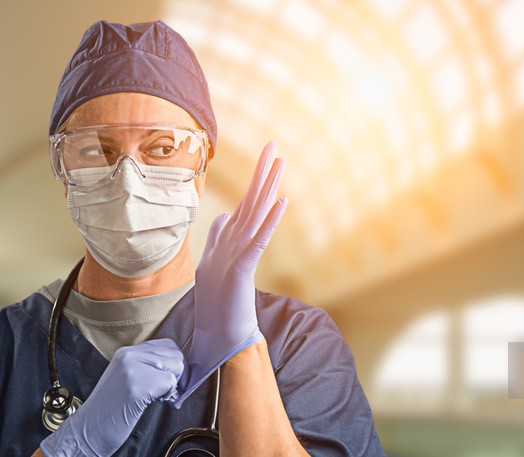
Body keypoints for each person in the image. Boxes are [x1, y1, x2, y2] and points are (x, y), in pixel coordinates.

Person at [0, 20, 385, 457]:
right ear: (64, 172)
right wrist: (70, 448)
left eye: (162, 148)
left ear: (200, 170)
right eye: (95, 150)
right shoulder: (8, 348)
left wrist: (243, 356)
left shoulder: (297, 344)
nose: (129, 182)